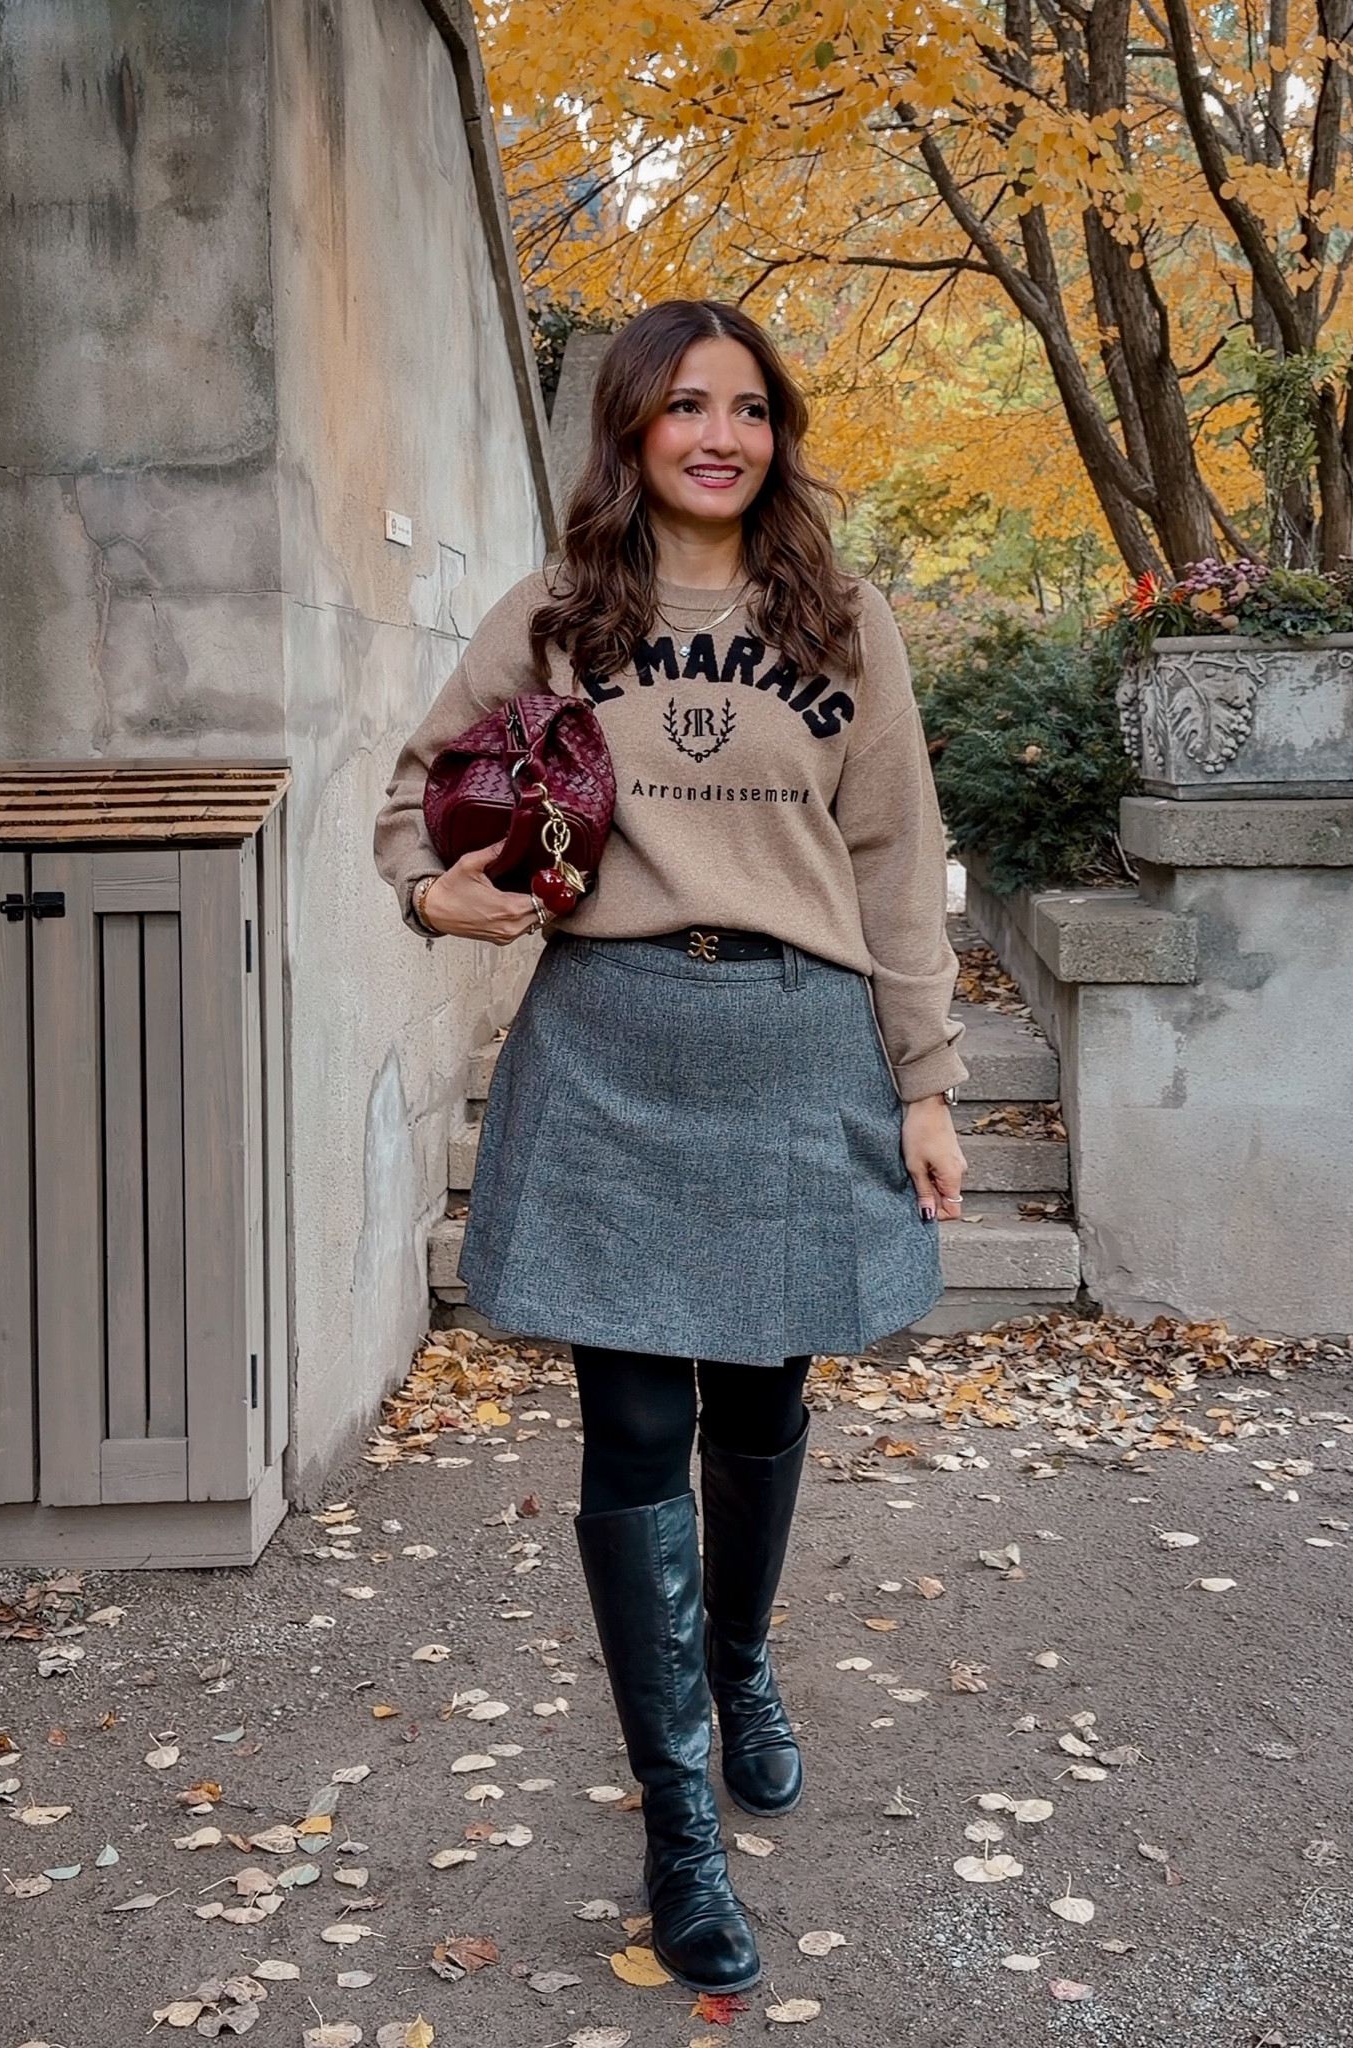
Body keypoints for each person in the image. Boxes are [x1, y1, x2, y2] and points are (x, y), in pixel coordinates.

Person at [374, 299, 967, 1994]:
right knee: (634, 1429)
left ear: (778, 434)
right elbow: (415, 785)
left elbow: (894, 857)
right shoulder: (562, 615)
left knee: (766, 1399)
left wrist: (923, 1083)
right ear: (632, 429)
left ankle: (741, 1656)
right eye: (687, 406)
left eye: (752, 408)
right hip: (612, 1039)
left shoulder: (841, 620)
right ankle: (677, 1818)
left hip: (795, 1047)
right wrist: (437, 893)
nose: (722, 433)